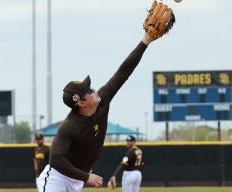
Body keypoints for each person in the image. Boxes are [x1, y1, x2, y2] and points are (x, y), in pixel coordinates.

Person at [37, 22, 161, 192]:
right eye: (88, 90)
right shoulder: (70, 125)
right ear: (81, 103)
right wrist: (87, 176)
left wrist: (146, 40)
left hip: (77, 180)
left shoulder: (102, 99)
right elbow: (55, 160)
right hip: (57, 178)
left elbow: (123, 72)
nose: (93, 89)